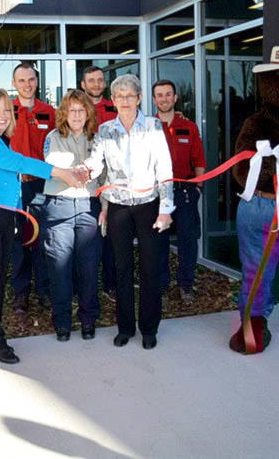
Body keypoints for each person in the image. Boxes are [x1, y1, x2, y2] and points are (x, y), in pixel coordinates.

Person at [0, 89, 83, 364]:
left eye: (7, 110)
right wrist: (60, 173)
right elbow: (17, 163)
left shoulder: (0, 141)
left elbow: (9, 180)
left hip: (2, 217)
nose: (3, 115)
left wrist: (17, 215)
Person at [82, 74, 174, 350]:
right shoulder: (105, 130)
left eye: (130, 96)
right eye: (119, 96)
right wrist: (83, 171)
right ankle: (125, 328)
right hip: (118, 207)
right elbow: (97, 164)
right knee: (121, 268)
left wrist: (165, 209)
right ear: (112, 100)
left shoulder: (153, 126)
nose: (125, 101)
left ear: (139, 98)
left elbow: (164, 168)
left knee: (150, 268)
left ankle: (149, 328)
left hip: (149, 205)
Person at [41, 90, 102, 342]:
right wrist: (81, 169)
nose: (76, 115)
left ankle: (88, 320)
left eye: (81, 110)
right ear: (64, 113)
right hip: (60, 207)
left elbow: (101, 168)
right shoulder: (53, 137)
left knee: (88, 269)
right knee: (60, 269)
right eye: (72, 110)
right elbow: (55, 161)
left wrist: (88, 169)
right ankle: (63, 323)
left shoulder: (97, 139)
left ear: (88, 113)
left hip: (88, 208)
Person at [152, 80, 206, 303]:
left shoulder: (189, 127)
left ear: (175, 98)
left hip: (185, 192)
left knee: (188, 241)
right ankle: (161, 286)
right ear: (154, 100)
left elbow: (199, 160)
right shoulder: (148, 127)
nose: (164, 99)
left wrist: (198, 188)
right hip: (157, 195)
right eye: (159, 95)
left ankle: (186, 285)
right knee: (159, 242)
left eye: (168, 94)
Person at [10, 62, 56, 313]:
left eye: (31, 80)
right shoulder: (6, 111)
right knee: (19, 239)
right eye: (22, 80)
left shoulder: (49, 112)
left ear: (37, 82)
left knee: (43, 237)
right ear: (14, 84)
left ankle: (45, 290)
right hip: (14, 184)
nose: (27, 85)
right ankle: (21, 293)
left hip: (42, 185)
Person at [80, 65, 117, 303]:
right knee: (86, 236)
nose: (96, 84)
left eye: (100, 80)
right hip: (84, 182)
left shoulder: (115, 108)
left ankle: (110, 284)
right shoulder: (76, 109)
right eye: (91, 80)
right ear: (83, 85)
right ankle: (84, 286)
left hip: (112, 181)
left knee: (111, 236)